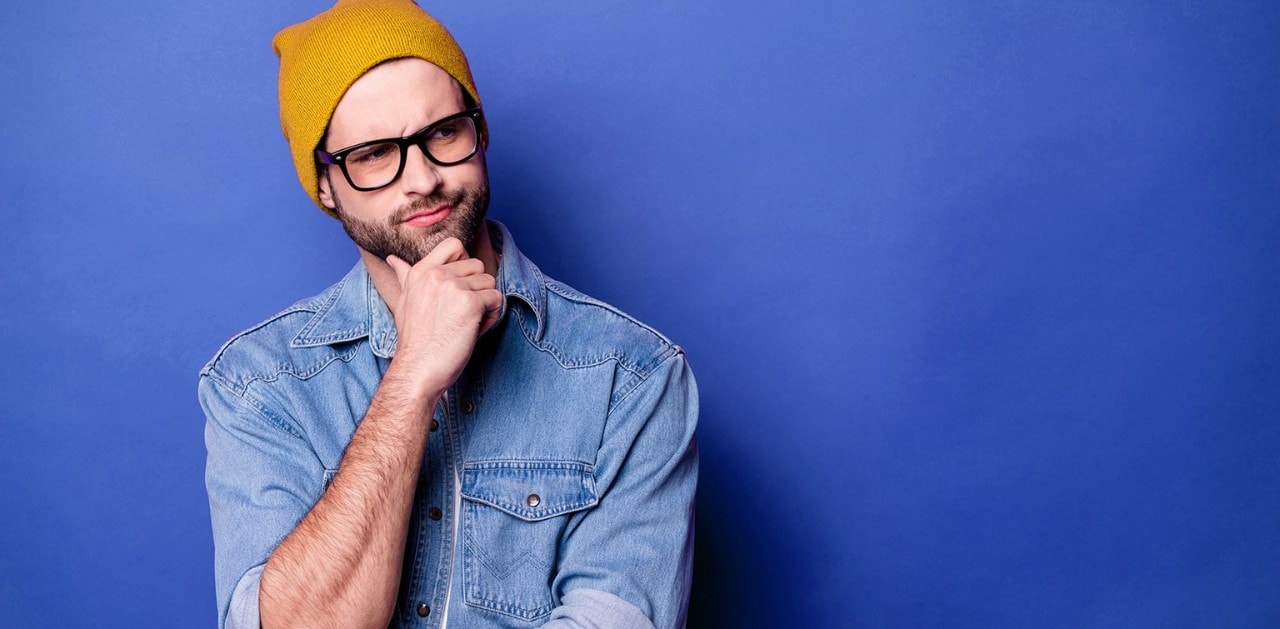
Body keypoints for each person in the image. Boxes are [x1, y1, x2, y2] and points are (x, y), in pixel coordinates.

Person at [198, 1, 699, 627]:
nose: (423, 179)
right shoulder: (256, 385)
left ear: (479, 131)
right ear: (326, 185)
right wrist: (411, 381)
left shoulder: (633, 376)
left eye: (442, 133)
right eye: (376, 154)